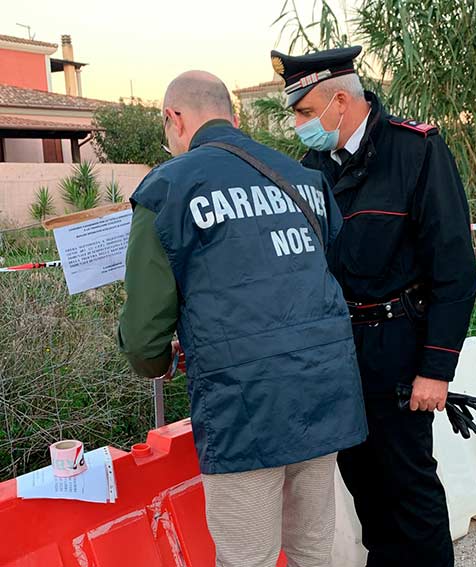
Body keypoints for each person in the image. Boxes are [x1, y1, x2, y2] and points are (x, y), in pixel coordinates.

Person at [118, 70, 367, 567]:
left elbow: (145, 331)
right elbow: (315, 273)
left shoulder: (167, 189)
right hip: (324, 391)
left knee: (245, 558)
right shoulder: (304, 178)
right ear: (232, 117)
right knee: (313, 550)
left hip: (246, 406)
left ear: (174, 118)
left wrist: (157, 363)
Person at [269, 47, 476, 567]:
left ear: (339, 101)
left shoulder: (416, 152)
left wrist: (436, 369)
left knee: (410, 490)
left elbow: (455, 271)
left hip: (400, 346)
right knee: (366, 487)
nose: (298, 124)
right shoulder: (310, 170)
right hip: (340, 354)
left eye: (302, 111)